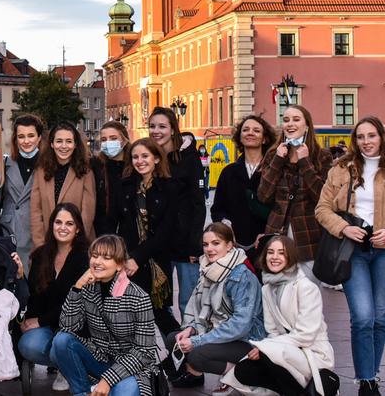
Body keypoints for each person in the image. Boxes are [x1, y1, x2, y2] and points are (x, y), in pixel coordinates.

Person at [315, 116, 385, 396]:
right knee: (362, 317)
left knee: (380, 319)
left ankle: (373, 374)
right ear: (354, 141)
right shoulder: (340, 170)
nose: (366, 142)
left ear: (381, 137)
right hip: (353, 252)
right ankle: (365, 380)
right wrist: (345, 227)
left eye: (371, 136)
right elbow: (322, 209)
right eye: (360, 137)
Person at [224, 235, 335, 396]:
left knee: (268, 354)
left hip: (312, 352)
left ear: (290, 257)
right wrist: (267, 348)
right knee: (243, 370)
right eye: (270, 252)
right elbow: (272, 331)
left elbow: (306, 335)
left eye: (281, 253)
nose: (274, 257)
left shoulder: (306, 287)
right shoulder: (267, 288)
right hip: (285, 350)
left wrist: (265, 348)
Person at [52, 234, 160, 396]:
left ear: (119, 265)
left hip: (130, 367)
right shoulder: (88, 288)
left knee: (125, 392)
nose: (97, 262)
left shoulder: (138, 296)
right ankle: (81, 393)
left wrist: (108, 379)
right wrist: (77, 287)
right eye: (94, 256)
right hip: (99, 358)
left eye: (106, 258)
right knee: (60, 341)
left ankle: (105, 388)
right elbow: (67, 327)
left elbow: (144, 352)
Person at [165, 222, 265, 389]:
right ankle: (196, 375)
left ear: (229, 245)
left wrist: (197, 340)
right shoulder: (209, 269)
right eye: (205, 244)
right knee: (172, 340)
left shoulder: (241, 275)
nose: (209, 249)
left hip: (248, 340)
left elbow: (241, 324)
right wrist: (191, 329)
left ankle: (240, 376)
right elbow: (198, 309)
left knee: (197, 354)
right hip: (220, 332)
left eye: (216, 243)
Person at [112, 138, 182, 334]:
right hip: (128, 260)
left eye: (145, 156)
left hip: (156, 261)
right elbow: (116, 223)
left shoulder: (169, 187)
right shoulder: (125, 187)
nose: (140, 161)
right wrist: (123, 257)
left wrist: (139, 257)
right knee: (130, 314)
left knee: (159, 314)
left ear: (157, 159)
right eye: (135, 157)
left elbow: (166, 231)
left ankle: (180, 354)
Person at [18, 203, 89, 391]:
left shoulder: (86, 257)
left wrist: (40, 321)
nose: (63, 228)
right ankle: (65, 364)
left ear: (78, 228)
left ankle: (70, 367)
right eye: (58, 222)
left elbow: (78, 303)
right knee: (28, 345)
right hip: (50, 324)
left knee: (62, 344)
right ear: (52, 225)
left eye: (69, 223)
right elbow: (35, 296)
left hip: (77, 325)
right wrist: (21, 277)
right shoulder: (41, 255)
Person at [259, 105, 331, 278]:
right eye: (286, 120)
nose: (290, 124)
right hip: (277, 233)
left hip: (309, 235)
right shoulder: (273, 155)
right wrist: (277, 160)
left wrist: (305, 162)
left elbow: (322, 196)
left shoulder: (322, 156)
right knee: (277, 292)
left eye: (296, 119)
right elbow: (264, 195)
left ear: (307, 126)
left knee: (308, 295)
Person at [147, 106, 205, 319]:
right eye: (152, 126)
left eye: (162, 126)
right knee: (160, 302)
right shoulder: (150, 157)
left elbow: (198, 204)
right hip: (159, 243)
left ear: (173, 130)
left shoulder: (189, 159)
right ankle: (172, 345)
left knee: (188, 302)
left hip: (185, 244)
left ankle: (189, 348)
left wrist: (195, 244)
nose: (156, 131)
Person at [211, 115, 277, 261]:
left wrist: (269, 233)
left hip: (267, 245)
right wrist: (225, 224)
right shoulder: (228, 172)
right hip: (234, 248)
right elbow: (217, 208)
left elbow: (280, 208)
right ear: (240, 138)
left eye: (256, 130)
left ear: (264, 139)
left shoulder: (274, 171)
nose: (250, 133)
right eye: (245, 130)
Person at [30, 122, 96, 251]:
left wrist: (75, 244)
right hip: (46, 244)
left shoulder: (85, 172)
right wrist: (40, 244)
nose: (64, 146)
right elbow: (35, 211)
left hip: (77, 246)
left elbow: (87, 213)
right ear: (52, 144)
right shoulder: (41, 171)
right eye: (59, 141)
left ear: (75, 144)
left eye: (69, 141)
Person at [1, 114, 42, 267]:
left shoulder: (48, 164)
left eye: (31, 135)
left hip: (37, 229)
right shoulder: (5, 163)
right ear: (15, 139)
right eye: (21, 136)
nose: (26, 141)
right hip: (11, 229)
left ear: (39, 138)